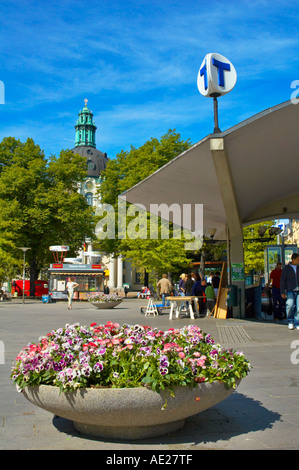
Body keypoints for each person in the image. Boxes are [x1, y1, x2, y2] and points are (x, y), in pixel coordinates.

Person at [280, 253, 299, 330]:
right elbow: (282, 280)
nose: (298, 261)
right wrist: (282, 291)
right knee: (290, 306)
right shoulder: (286, 268)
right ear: (293, 259)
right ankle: (290, 321)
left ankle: (297, 323)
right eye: (297, 259)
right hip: (290, 290)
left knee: (298, 307)